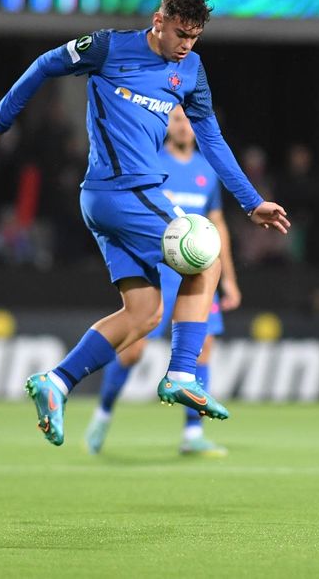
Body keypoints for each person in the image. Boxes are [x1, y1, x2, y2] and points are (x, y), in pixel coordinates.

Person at [0, 0, 289, 446]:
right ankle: (182, 374)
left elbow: (211, 138)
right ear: (158, 21)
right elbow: (46, 63)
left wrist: (251, 200)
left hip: (110, 200)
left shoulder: (191, 70)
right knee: (206, 257)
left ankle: (57, 382)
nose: (187, 45)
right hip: (122, 191)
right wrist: (4, 116)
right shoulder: (108, 47)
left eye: (195, 37)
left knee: (145, 313)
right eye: (181, 34)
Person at [85, 105, 242, 457]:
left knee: (203, 348)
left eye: (189, 120)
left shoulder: (207, 169)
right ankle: (103, 413)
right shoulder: (152, 162)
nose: (184, 127)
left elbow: (217, 225)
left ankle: (192, 432)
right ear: (167, 124)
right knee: (132, 352)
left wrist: (229, 279)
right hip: (160, 272)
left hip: (198, 273)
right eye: (177, 120)